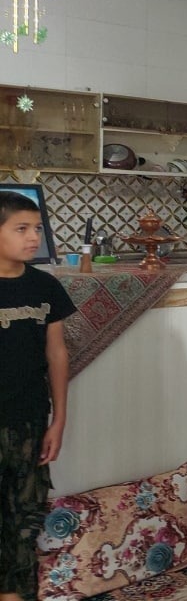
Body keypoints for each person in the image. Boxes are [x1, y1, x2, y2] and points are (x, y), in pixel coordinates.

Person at [0, 191, 73, 601]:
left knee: (25, 519)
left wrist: (58, 420)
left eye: (38, 229)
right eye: (21, 229)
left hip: (29, 421)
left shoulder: (45, 286)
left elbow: (57, 353)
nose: (33, 238)